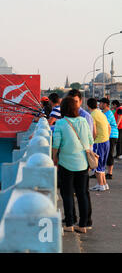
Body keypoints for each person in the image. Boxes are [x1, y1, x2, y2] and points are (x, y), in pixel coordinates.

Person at [52, 96, 93, 233]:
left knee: (67, 194)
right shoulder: (83, 121)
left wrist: (54, 158)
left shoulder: (61, 123)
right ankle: (83, 225)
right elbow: (90, 140)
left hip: (66, 163)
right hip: (83, 163)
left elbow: (56, 144)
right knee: (82, 194)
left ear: (63, 109)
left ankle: (69, 223)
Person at [66, 89, 94, 227]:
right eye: (71, 102)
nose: (73, 105)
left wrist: (89, 159)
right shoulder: (66, 117)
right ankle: (72, 218)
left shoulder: (85, 117)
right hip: (70, 160)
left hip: (82, 160)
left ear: (81, 101)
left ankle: (87, 220)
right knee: (71, 192)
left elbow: (89, 140)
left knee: (83, 192)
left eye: (75, 102)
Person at [87, 98, 111, 191]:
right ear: (96, 105)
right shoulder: (101, 113)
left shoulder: (92, 115)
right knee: (102, 164)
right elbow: (109, 127)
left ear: (88, 106)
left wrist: (91, 142)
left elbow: (94, 131)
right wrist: (106, 138)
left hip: (99, 142)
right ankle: (103, 184)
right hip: (106, 141)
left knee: (96, 164)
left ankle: (101, 185)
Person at [99, 98, 118, 180]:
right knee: (102, 154)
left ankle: (109, 173)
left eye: (101, 103)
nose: (99, 105)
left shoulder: (109, 113)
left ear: (105, 104)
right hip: (104, 135)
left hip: (111, 135)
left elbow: (105, 125)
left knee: (110, 153)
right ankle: (99, 172)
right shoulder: (102, 113)